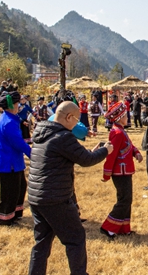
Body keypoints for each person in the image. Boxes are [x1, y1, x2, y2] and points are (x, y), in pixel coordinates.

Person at [28, 101, 113, 275]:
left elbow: (76, 155)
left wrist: (91, 151)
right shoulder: (63, 137)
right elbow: (86, 160)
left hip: (37, 196)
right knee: (75, 239)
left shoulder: (42, 132)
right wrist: (105, 151)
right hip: (55, 198)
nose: (77, 124)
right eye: (77, 120)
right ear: (69, 117)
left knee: (42, 242)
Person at [100, 101, 143, 239]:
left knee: (126, 199)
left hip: (125, 171)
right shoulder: (118, 133)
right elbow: (111, 155)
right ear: (120, 118)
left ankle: (123, 228)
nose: (127, 117)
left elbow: (129, 145)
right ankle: (108, 227)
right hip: (120, 172)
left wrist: (136, 153)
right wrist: (106, 173)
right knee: (124, 200)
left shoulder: (121, 131)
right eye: (125, 116)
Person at [0, 91, 32, 226]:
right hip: (8, 161)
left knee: (20, 187)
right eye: (17, 103)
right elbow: (18, 142)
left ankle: (15, 213)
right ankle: (4, 218)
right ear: (11, 105)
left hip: (14, 160)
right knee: (10, 191)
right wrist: (32, 154)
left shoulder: (10, 118)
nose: (19, 106)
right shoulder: (8, 122)